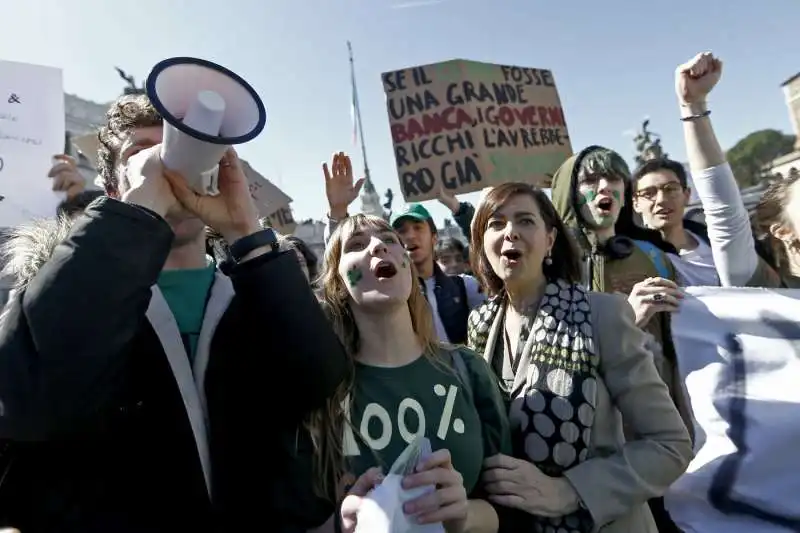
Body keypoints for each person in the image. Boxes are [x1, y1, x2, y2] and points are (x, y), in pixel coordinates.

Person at [0, 93, 347, 532]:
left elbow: (317, 383)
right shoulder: (62, 289)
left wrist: (246, 232)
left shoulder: (256, 286)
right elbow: (26, 395)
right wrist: (137, 214)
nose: (165, 166)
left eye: (180, 152)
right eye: (142, 152)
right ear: (112, 189)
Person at [466, 182, 692, 533]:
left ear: (550, 240)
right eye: (496, 224)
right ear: (482, 243)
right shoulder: (479, 326)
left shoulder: (601, 315)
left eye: (525, 221)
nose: (510, 232)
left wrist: (570, 490)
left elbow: (670, 446)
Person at [306, 213, 511, 533]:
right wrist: (340, 525)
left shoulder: (468, 370)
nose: (377, 246)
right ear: (339, 283)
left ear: (408, 266)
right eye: (356, 245)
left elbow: (508, 509)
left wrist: (463, 515)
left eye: (389, 240)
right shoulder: (322, 390)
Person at [322, 152, 484, 344]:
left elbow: (487, 252)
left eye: (417, 227)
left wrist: (457, 208)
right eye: (400, 230)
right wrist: (338, 212)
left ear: (434, 237)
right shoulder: (387, 293)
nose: (410, 236)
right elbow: (340, 263)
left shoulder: (465, 287)